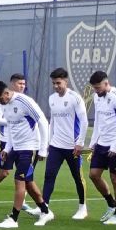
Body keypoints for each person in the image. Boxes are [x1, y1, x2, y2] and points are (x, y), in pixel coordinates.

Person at [0, 80, 53, 228]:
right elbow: (11, 129)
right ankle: (45, 211)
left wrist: (44, 149)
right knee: (29, 184)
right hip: (16, 148)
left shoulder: (24, 101)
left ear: (6, 93)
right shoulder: (5, 106)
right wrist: (7, 149)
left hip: (29, 148)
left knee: (19, 180)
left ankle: (13, 219)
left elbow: (43, 122)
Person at [42, 67, 90, 220]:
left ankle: (83, 208)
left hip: (72, 147)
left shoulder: (75, 98)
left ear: (65, 81)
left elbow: (84, 121)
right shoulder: (52, 99)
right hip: (56, 146)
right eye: (53, 83)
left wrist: (79, 143)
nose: (56, 86)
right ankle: (44, 208)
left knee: (77, 177)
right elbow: (53, 121)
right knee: (49, 175)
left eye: (58, 83)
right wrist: (49, 142)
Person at [0, 74, 36, 213]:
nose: (22, 86)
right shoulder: (1, 100)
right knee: (4, 173)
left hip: (23, 143)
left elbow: (38, 120)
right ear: (12, 85)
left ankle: (23, 202)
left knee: (25, 175)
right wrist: (14, 121)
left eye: (24, 83)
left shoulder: (25, 101)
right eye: (19, 83)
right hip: (7, 140)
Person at [87, 70, 116, 225]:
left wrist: (115, 145)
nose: (96, 91)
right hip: (102, 143)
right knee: (93, 174)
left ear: (106, 83)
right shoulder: (96, 97)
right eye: (94, 88)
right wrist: (93, 141)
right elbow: (98, 120)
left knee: (115, 179)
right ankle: (111, 204)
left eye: (98, 87)